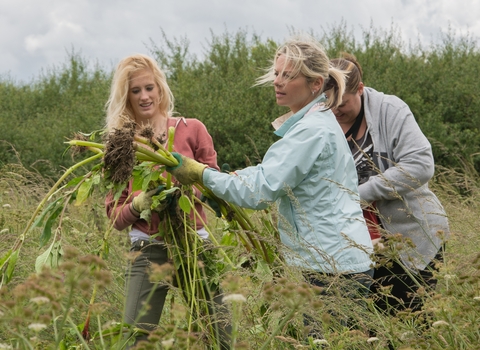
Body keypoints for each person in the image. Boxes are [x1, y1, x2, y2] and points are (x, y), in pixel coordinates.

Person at [167, 36, 374, 297]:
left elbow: (261, 190)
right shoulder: (316, 123)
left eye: (288, 75)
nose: (277, 81)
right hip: (339, 258)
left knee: (323, 339)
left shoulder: (311, 131)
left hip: (332, 267)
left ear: (315, 84)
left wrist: (201, 174)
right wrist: (233, 177)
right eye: (276, 73)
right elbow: (268, 173)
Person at [104, 54, 230, 347]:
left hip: (195, 242)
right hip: (148, 247)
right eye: (135, 91)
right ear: (126, 97)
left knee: (219, 333)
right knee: (135, 337)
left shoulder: (191, 128)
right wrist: (139, 203)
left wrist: (187, 191)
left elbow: (216, 186)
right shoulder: (121, 143)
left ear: (160, 88)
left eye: (149, 88)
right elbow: (115, 218)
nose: (144, 96)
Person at [329, 53, 450, 315]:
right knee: (369, 328)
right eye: (329, 102)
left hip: (411, 239)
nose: (336, 109)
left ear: (360, 90)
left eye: (343, 102)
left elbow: (420, 165)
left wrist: (359, 194)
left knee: (411, 324)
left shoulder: (391, 110)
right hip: (359, 247)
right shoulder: (323, 120)